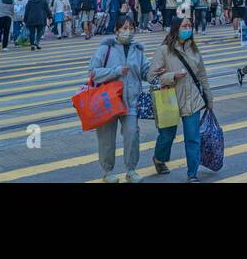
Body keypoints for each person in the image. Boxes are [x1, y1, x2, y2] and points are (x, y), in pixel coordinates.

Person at [150, 16, 212, 181]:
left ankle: (192, 174)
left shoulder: (194, 49)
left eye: (190, 25)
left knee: (193, 138)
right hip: (169, 99)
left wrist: (209, 98)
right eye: (185, 26)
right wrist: (172, 76)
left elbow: (202, 75)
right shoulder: (163, 50)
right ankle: (159, 159)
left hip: (192, 100)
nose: (188, 29)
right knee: (167, 136)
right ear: (176, 28)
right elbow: (151, 77)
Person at [89, 15, 150, 182]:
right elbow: (93, 73)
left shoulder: (138, 50)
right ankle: (108, 172)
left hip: (130, 101)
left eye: (131, 28)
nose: (128, 32)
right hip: (107, 102)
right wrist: (115, 71)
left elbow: (146, 71)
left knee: (132, 135)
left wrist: (158, 73)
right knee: (106, 140)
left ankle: (131, 170)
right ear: (116, 30)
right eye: (124, 28)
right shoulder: (105, 49)